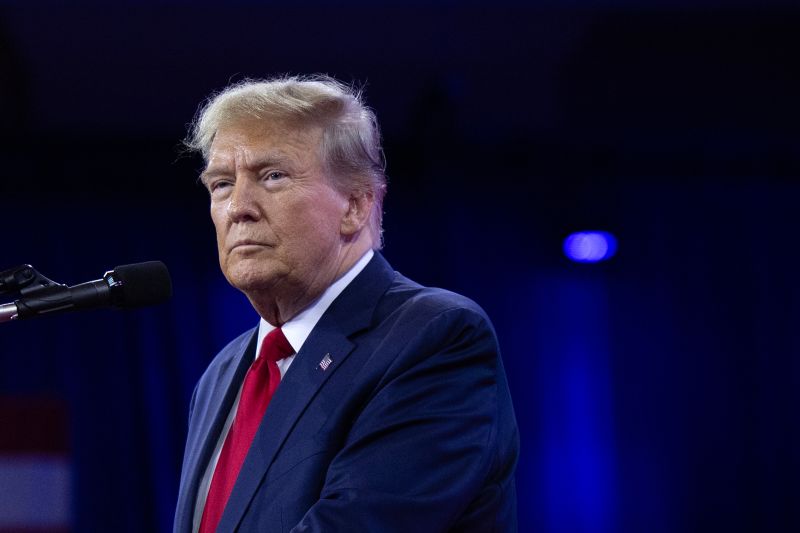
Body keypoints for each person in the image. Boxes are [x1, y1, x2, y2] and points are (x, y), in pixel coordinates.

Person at [173, 75, 519, 533]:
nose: (238, 207)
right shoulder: (222, 374)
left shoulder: (435, 338)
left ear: (355, 204)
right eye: (221, 184)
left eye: (272, 176)